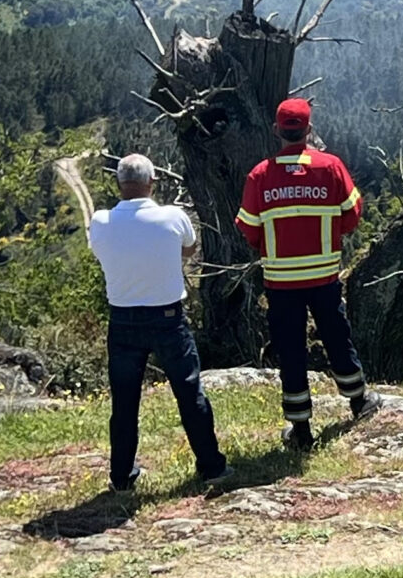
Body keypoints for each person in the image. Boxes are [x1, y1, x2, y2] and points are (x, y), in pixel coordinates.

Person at [236, 97, 380, 450]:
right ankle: (359, 401)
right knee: (336, 337)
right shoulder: (329, 167)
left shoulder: (260, 176)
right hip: (324, 276)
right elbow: (353, 212)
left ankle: (300, 430)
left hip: (281, 281)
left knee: (291, 350)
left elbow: (248, 229)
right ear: (309, 130)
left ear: (276, 131)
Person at [86, 153, 229, 492]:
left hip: (122, 319)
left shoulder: (102, 221)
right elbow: (190, 249)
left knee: (124, 403)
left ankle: (121, 477)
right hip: (167, 317)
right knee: (189, 392)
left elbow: (99, 251)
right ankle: (212, 467)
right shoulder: (173, 216)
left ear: (119, 184)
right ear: (152, 182)